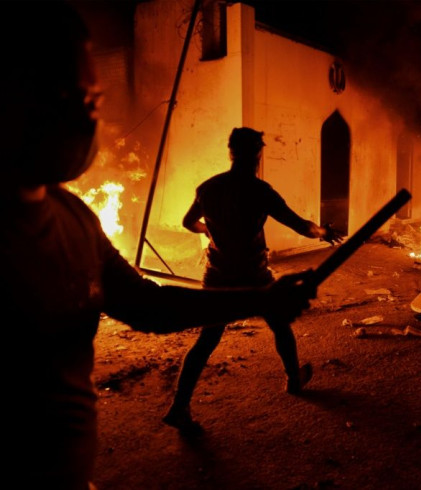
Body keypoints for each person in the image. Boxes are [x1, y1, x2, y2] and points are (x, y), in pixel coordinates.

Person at [0, 3, 316, 489]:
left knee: (218, 335)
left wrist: (262, 295)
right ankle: (288, 381)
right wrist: (270, 287)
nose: (89, 120)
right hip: (246, 271)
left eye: (94, 101)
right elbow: (290, 221)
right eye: (69, 98)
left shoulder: (75, 218)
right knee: (263, 331)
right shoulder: (258, 191)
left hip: (71, 473)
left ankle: (185, 404)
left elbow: (148, 305)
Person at [163, 126, 343, 432]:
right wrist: (324, 231)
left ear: (231, 153)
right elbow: (301, 226)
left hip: (218, 276)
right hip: (253, 277)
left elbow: (187, 222)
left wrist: (209, 230)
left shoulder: (208, 188)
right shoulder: (261, 192)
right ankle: (293, 380)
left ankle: (179, 407)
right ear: (257, 155)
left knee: (207, 340)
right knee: (279, 325)